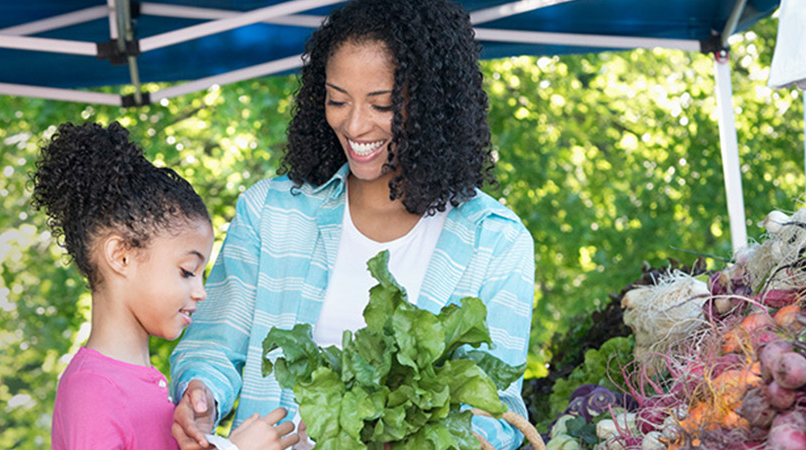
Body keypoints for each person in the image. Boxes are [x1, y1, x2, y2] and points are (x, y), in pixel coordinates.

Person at [165, 0, 538, 449]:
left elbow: (499, 408)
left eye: (381, 105)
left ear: (434, 106)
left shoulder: (496, 241)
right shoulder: (270, 212)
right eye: (337, 99)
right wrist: (201, 393)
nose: (355, 125)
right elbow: (210, 346)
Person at [38, 123, 301, 450]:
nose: (201, 292)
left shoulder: (151, 389)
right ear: (121, 257)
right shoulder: (91, 390)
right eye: (187, 271)